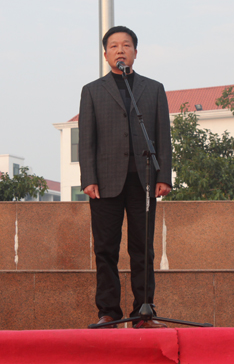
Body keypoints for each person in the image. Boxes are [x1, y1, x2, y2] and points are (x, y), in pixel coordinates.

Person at [78, 26, 172, 328]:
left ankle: (144, 311)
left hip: (143, 180)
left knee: (143, 248)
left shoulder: (153, 89)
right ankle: (108, 312)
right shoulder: (92, 91)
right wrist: (88, 177)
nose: (120, 50)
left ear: (135, 52)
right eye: (114, 46)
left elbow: (162, 135)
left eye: (126, 45)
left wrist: (164, 175)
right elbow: (87, 139)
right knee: (105, 248)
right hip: (104, 182)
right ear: (106, 54)